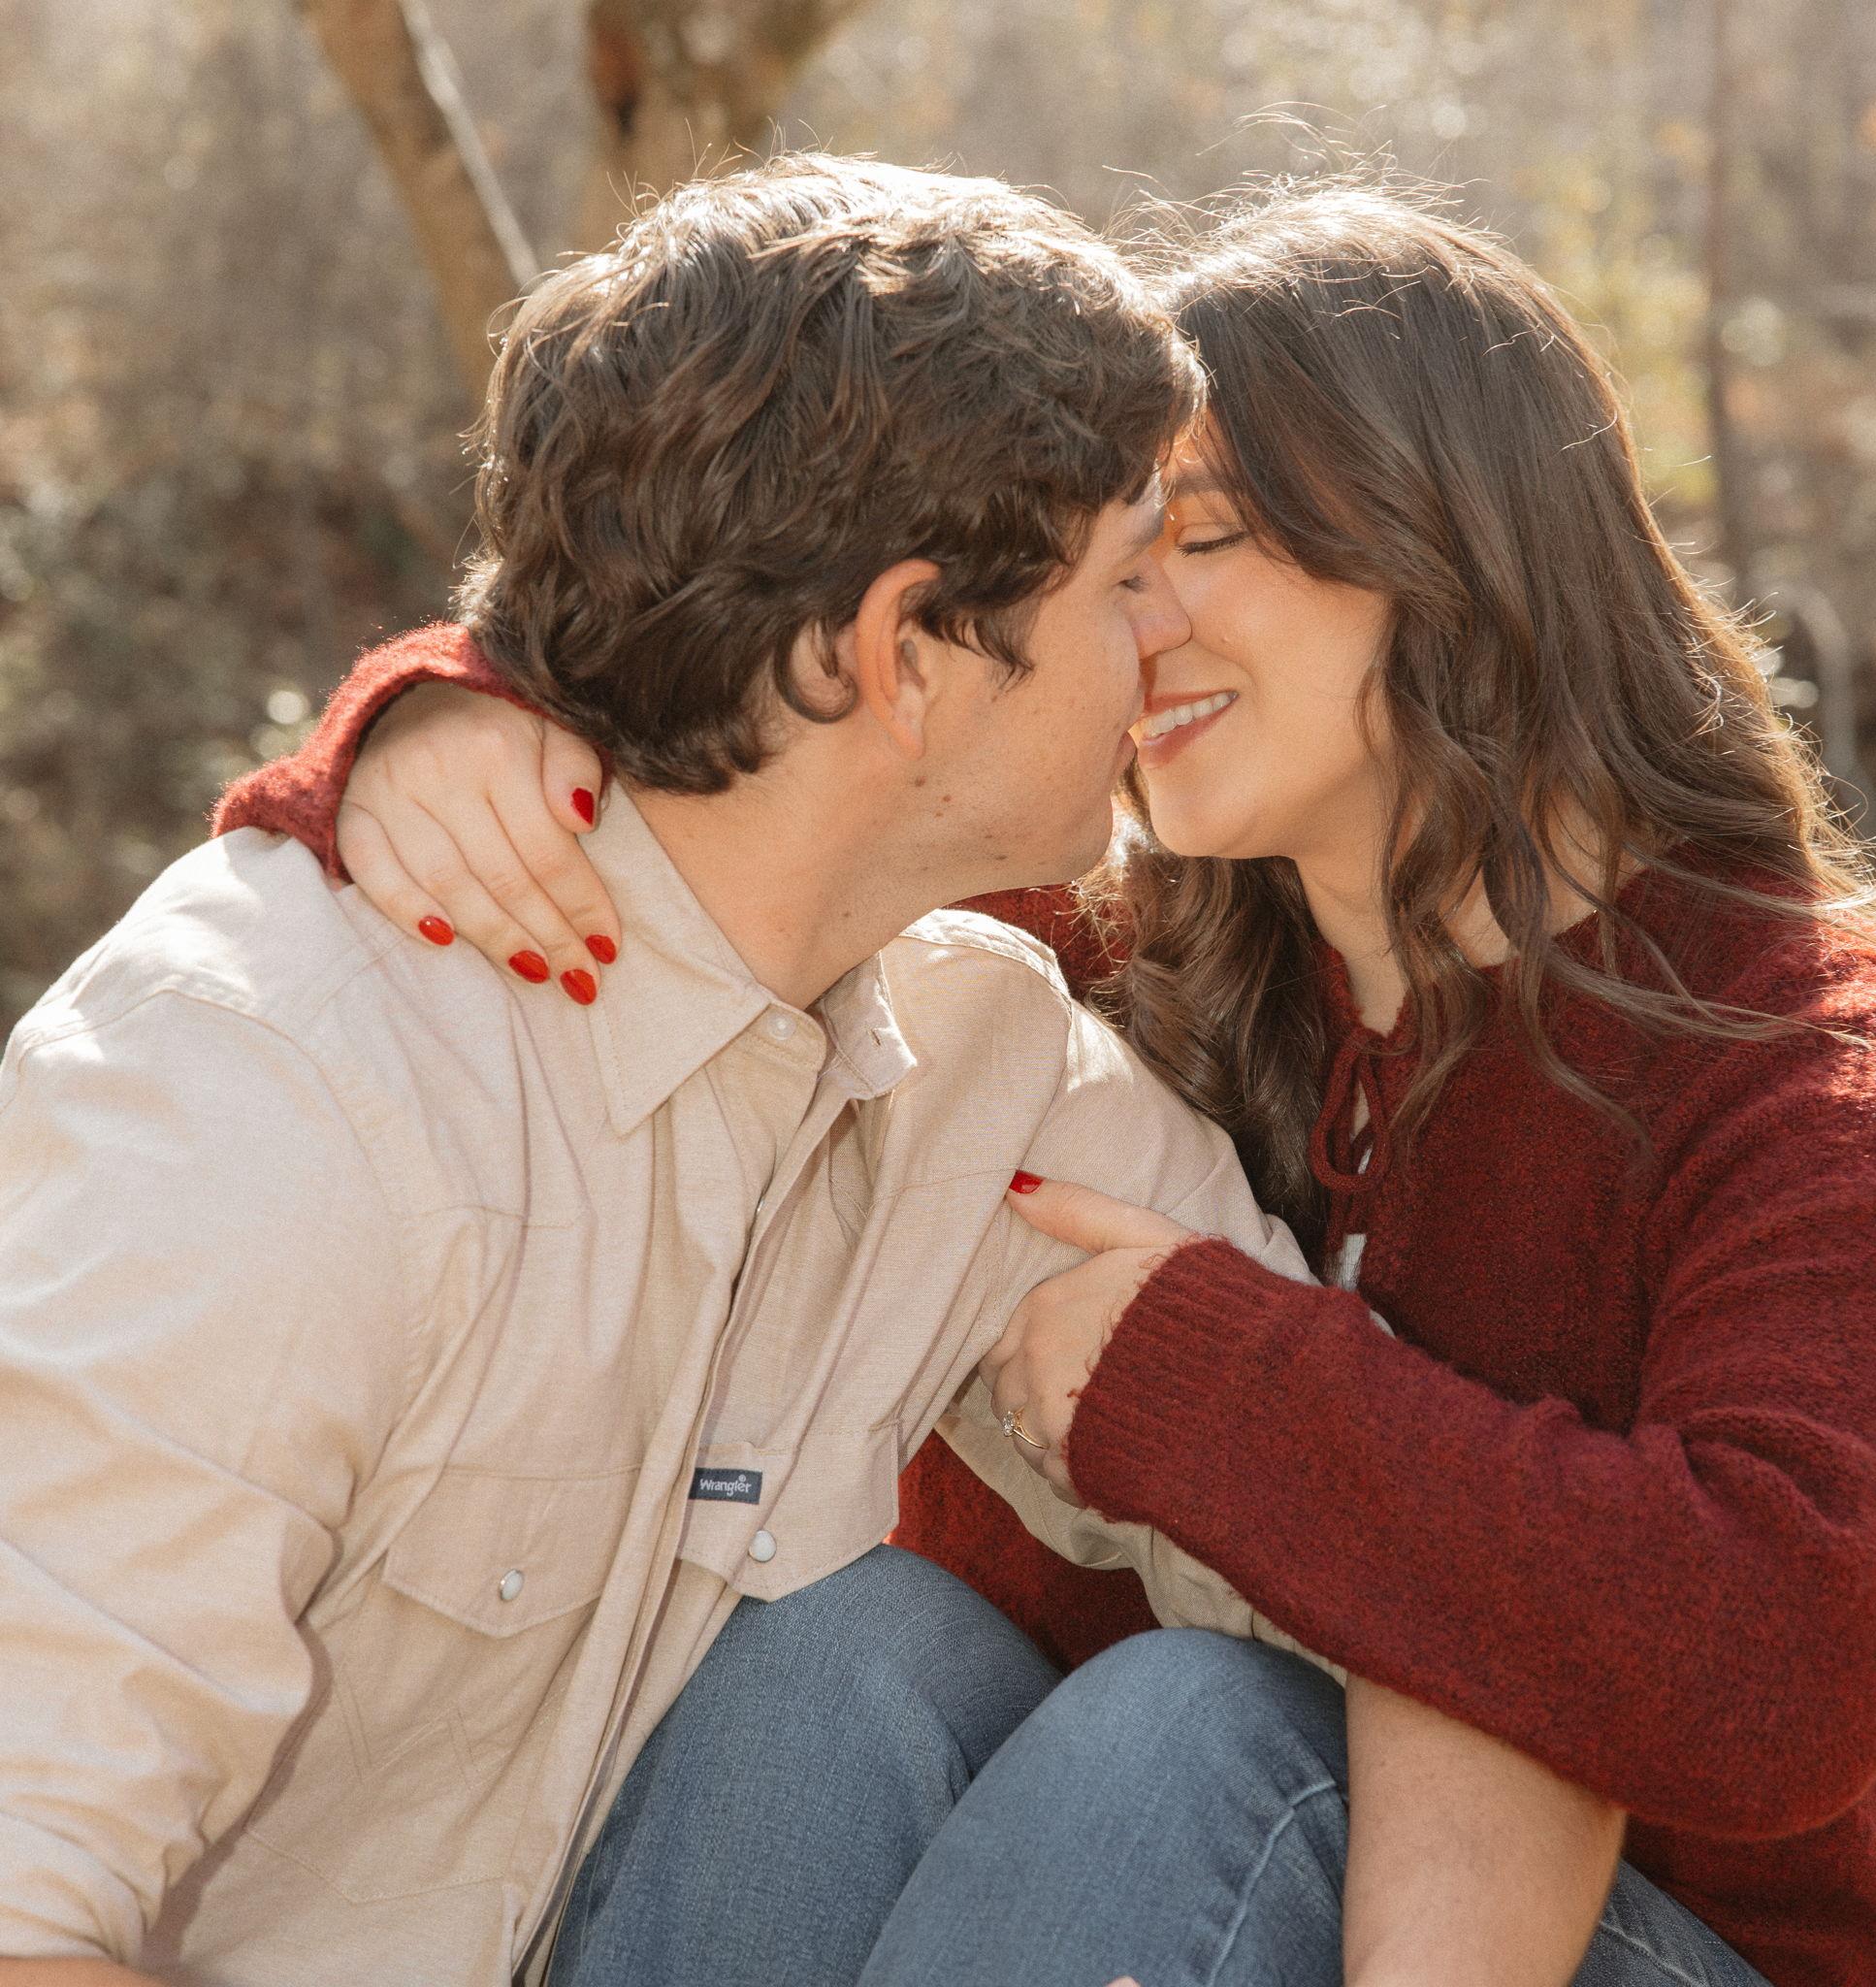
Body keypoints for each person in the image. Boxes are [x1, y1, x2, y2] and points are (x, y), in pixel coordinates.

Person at [256, 178, 1876, 1987]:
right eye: (1115, 557)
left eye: (1204, 539)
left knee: (1190, 1729)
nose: (1130, 629)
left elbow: (1775, 1662)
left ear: (1450, 535)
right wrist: (445, 715)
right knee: (831, 1658)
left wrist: (1209, 1378)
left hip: (1637, 1947)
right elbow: (765, 770)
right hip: (1106, 1904)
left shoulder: (1825, 1076)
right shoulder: (1092, 942)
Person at [0, 158, 1625, 1987]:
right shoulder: (263, 1093)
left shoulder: (975, 1065)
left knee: (874, 1662)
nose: (1164, 634)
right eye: (1120, 575)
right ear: (906, 656)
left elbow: (1440, 1601)